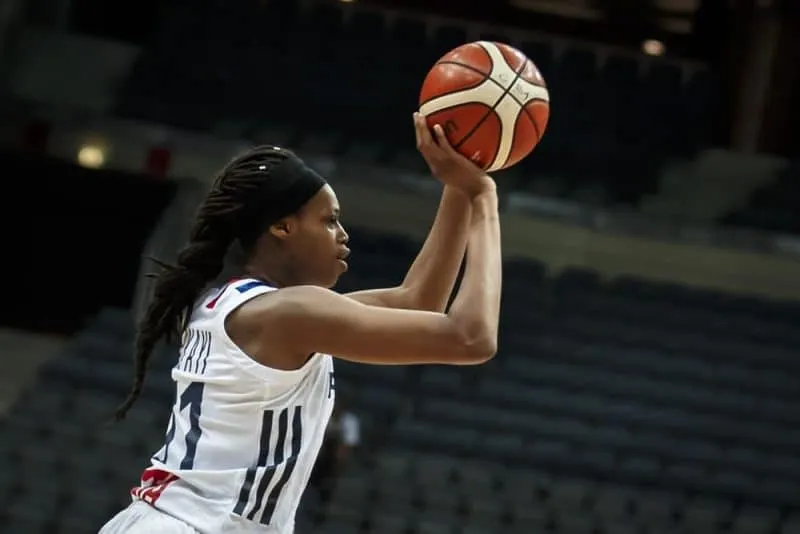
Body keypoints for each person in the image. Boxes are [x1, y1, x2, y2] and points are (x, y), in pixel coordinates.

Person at [99, 113, 502, 534]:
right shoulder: (285, 315)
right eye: (329, 220)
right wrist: (484, 198)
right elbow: (471, 337)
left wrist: (458, 185)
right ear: (282, 227)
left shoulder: (257, 310)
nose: (343, 234)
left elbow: (418, 303)